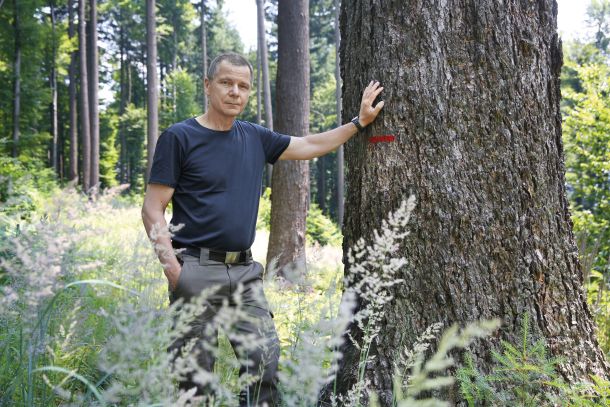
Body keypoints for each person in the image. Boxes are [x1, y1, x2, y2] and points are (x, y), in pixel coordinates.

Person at [141, 52, 384, 406]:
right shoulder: (179, 137)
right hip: (194, 268)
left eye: (243, 86)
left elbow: (309, 145)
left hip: (244, 272)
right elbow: (152, 208)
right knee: (195, 381)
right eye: (226, 83)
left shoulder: (254, 137)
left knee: (265, 363)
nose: (235, 92)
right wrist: (175, 272)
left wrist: (358, 123)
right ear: (208, 86)